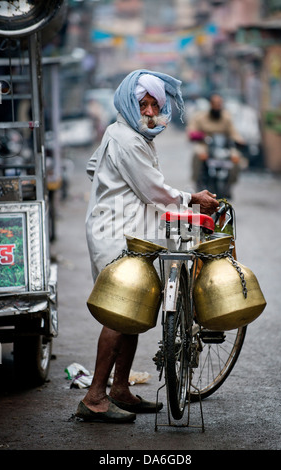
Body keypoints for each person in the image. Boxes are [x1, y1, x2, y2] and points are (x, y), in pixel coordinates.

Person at [76, 70, 219, 424]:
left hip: (126, 228)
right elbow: (153, 190)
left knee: (134, 307)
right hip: (115, 233)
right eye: (145, 103)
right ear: (130, 103)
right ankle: (95, 396)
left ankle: (120, 389)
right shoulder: (128, 139)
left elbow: (95, 167)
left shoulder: (123, 132)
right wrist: (191, 198)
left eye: (156, 104)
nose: (151, 110)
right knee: (118, 309)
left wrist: (115, 191)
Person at [187, 93, 245, 197]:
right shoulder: (201, 117)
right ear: (211, 104)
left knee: (236, 157)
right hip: (205, 144)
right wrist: (198, 135)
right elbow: (192, 130)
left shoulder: (226, 118)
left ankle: (229, 186)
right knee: (197, 154)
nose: (218, 106)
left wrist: (239, 141)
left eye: (220, 104)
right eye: (215, 103)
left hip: (223, 146)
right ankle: (197, 182)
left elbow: (233, 132)